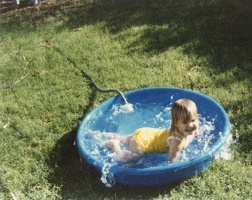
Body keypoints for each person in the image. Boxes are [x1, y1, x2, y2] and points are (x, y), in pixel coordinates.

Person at [102, 98, 199, 163]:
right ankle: (114, 145)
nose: (190, 125)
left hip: (145, 132)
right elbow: (172, 161)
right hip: (140, 143)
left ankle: (104, 134)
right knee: (129, 160)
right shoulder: (177, 140)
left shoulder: (188, 128)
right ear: (175, 124)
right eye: (185, 122)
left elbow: (194, 131)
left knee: (123, 139)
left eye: (193, 120)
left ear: (196, 117)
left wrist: (199, 134)